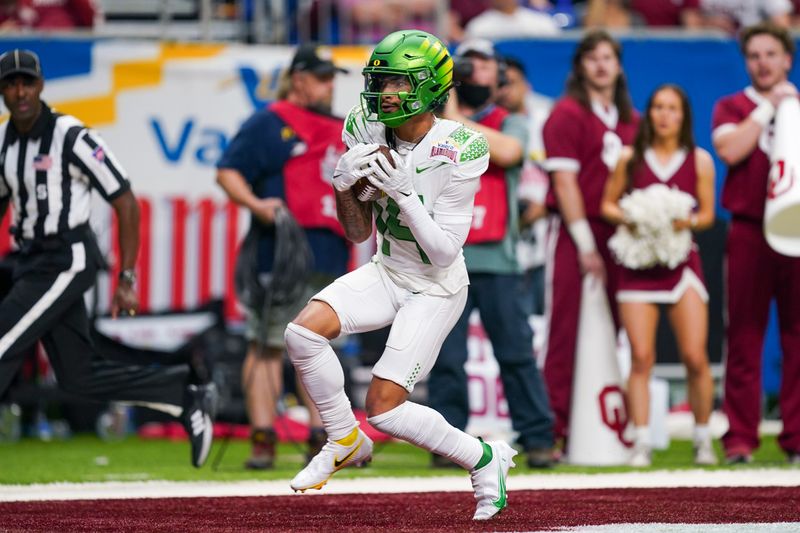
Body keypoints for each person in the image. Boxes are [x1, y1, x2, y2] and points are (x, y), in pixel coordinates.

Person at [284, 29, 517, 521]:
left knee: (386, 408)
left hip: (435, 286)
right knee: (301, 334)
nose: (387, 92)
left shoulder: (462, 145)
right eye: (382, 80)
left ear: (432, 87)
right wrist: (344, 186)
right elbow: (357, 230)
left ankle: (484, 457)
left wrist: (407, 196)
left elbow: (443, 252)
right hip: (388, 269)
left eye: (400, 81)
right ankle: (344, 438)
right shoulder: (365, 126)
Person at [0, 49, 215, 467]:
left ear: (41, 85)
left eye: (27, 82)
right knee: (78, 375)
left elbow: (126, 201)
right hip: (29, 259)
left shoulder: (70, 134)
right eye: (11, 83)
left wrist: (127, 276)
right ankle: (183, 395)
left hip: (66, 256)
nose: (20, 91)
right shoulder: (7, 141)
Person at [216, 43, 350, 470]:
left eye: (332, 78)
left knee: (318, 346)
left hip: (330, 251)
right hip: (282, 251)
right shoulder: (270, 122)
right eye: (323, 77)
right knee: (269, 345)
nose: (330, 86)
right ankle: (263, 436)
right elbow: (228, 171)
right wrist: (257, 206)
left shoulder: (341, 127)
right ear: (299, 80)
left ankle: (321, 436)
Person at [430, 40, 555, 469]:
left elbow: (509, 152)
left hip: (498, 260)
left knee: (516, 352)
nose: (475, 72)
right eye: (467, 65)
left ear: (498, 77)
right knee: (446, 357)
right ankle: (447, 442)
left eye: (484, 65)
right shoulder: (436, 123)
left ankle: (538, 438)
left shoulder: (512, 122)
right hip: (447, 258)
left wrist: (450, 116)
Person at [601, 84, 717, 467]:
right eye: (658, 108)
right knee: (641, 357)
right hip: (637, 269)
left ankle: (702, 440)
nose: (665, 115)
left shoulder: (699, 160)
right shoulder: (630, 158)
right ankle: (642, 442)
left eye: (673, 108)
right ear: (649, 114)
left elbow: (706, 215)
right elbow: (608, 205)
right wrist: (637, 216)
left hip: (682, 267)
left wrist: (680, 221)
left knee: (695, 357)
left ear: (684, 116)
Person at [541, 30, 639, 451]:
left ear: (618, 65)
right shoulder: (566, 114)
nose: (601, 65)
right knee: (566, 330)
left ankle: (625, 425)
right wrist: (585, 244)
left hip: (626, 235)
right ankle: (556, 429)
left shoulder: (633, 121)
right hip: (580, 231)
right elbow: (565, 184)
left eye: (608, 57)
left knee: (629, 329)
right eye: (593, 57)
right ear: (580, 65)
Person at [711, 22, 800, 464]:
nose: (763, 63)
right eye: (755, 55)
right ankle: (740, 438)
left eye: (771, 54)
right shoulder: (732, 106)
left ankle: (797, 437)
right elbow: (730, 151)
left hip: (796, 232)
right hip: (748, 230)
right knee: (743, 334)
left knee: (798, 335)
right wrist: (767, 108)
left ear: (788, 59)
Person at [496, 56, 552, 319]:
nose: (505, 90)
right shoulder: (488, 127)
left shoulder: (548, 121)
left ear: (527, 86)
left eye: (511, 83)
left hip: (547, 236)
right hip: (505, 241)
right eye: (500, 83)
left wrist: (547, 206)